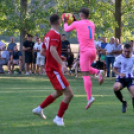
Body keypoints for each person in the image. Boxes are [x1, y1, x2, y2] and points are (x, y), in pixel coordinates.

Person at [32, 14, 74, 126]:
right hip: (54, 69)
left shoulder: (47, 35)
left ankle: (39, 109)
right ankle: (58, 118)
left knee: (60, 92)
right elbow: (52, 50)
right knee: (69, 94)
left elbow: (42, 52)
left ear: (50, 22)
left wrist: (59, 58)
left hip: (51, 68)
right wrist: (62, 64)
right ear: (59, 22)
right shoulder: (55, 34)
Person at [63, 7, 105, 109]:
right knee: (85, 69)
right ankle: (98, 72)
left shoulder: (77, 23)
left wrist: (65, 21)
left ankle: (89, 97)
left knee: (85, 75)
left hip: (85, 52)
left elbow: (66, 29)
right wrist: (76, 20)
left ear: (81, 15)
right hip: (93, 51)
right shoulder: (92, 23)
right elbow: (82, 26)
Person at [113, 44, 134, 113]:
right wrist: (119, 74)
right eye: (125, 51)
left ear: (131, 51)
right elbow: (114, 69)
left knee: (133, 92)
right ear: (123, 50)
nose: (126, 53)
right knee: (115, 87)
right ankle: (124, 102)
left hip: (130, 78)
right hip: (121, 79)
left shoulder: (133, 58)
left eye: (128, 51)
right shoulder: (119, 58)